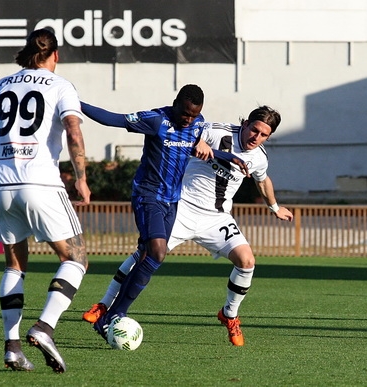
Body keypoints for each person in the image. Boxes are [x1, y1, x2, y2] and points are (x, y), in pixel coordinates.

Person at [82, 105, 293, 346]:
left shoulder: (259, 157)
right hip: (182, 208)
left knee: (247, 261)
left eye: (263, 135)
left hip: (217, 218)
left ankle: (229, 315)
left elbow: (262, 180)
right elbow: (182, 136)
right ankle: (104, 305)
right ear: (245, 124)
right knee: (145, 255)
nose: (256, 137)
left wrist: (275, 208)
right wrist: (199, 143)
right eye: (254, 130)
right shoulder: (215, 131)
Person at [0, 29, 90, 374]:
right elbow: (73, 131)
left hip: (3, 187)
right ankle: (44, 328)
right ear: (55, 55)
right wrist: (81, 177)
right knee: (75, 259)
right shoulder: (61, 86)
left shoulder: (0, 85)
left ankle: (12, 348)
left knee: (15, 265)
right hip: (42, 183)